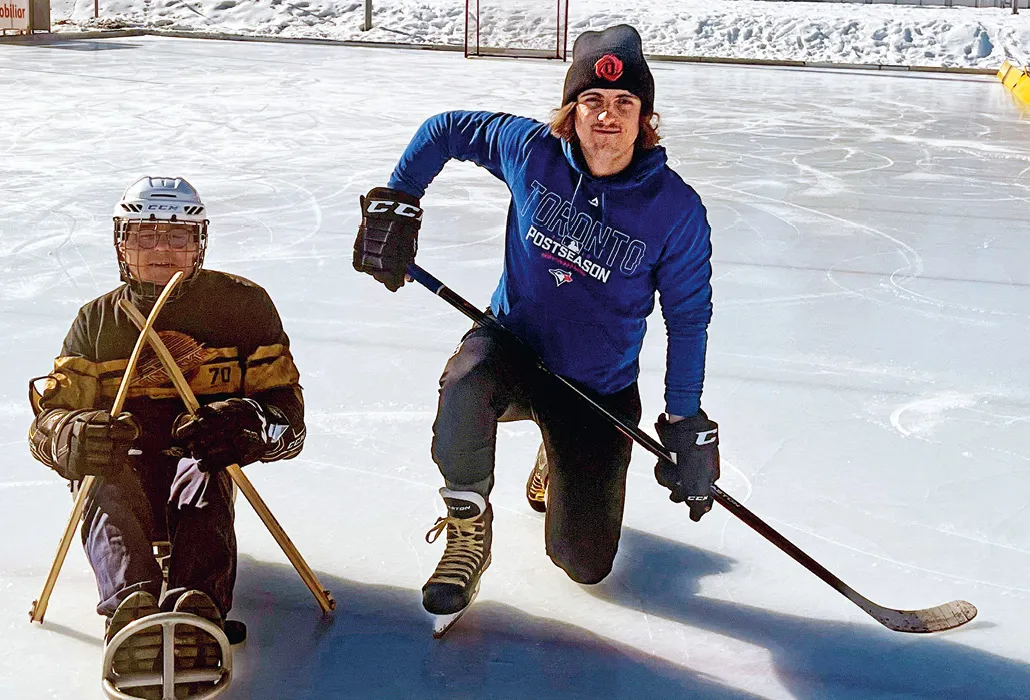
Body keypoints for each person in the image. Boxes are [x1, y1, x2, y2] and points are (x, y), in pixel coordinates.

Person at [354, 24, 720, 625]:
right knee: (465, 384)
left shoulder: (675, 208)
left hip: (594, 388)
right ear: (571, 110)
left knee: (584, 563)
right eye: (592, 102)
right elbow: (444, 129)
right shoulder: (531, 152)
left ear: (645, 117)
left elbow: (687, 319)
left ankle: (558, 454)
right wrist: (399, 199)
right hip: (512, 349)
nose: (607, 116)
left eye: (624, 104)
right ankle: (468, 528)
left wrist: (684, 418)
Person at [28, 176, 306, 695]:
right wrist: (73, 436)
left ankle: (195, 612)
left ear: (199, 242)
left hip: (198, 477)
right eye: (144, 234)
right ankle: (132, 614)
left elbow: (289, 424)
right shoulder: (97, 321)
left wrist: (243, 426)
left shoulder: (244, 306)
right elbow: (47, 423)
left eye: (177, 237)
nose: (160, 249)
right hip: (121, 481)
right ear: (121, 243)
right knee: (100, 473)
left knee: (202, 467)